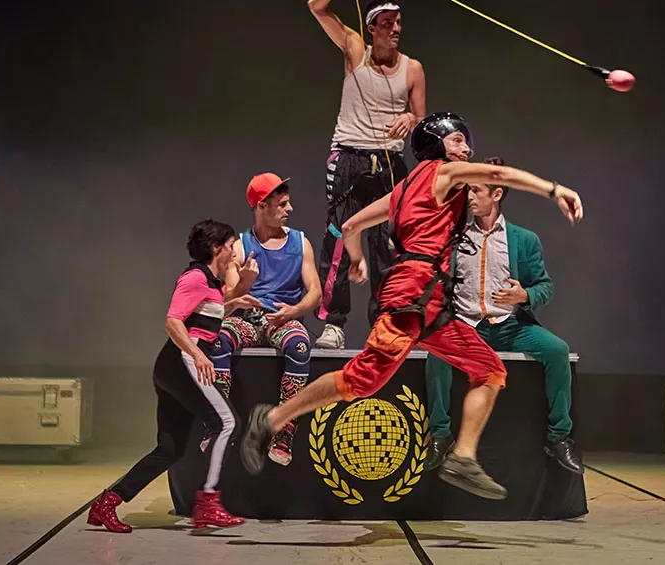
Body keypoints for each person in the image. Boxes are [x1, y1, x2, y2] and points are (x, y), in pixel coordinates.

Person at [239, 113, 584, 500]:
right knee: (360, 380)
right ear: (437, 145)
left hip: (432, 304)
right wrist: (555, 190)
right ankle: (272, 418)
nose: (466, 148)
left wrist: (357, 257)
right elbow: (497, 174)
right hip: (410, 296)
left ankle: (463, 457)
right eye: (457, 140)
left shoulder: (404, 189)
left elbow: (350, 226)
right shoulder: (442, 172)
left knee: (489, 370)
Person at [86, 220, 262, 532]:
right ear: (215, 248)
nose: (235, 252)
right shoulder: (195, 277)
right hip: (182, 361)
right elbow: (173, 321)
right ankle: (208, 502)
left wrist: (236, 299)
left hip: (173, 365)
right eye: (230, 245)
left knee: (169, 449)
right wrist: (197, 355)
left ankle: (107, 502)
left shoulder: (212, 283)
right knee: (227, 423)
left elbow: (207, 317)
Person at [423, 156, 583, 475]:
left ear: (496, 194)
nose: (469, 197)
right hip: (468, 327)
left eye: (476, 190)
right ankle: (440, 435)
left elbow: (545, 286)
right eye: (467, 190)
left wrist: (525, 295)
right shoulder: (454, 236)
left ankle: (558, 437)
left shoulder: (523, 239)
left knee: (557, 351)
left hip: (509, 326)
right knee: (436, 354)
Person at [307, 0, 427, 349]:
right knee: (338, 240)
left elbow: (421, 119)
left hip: (390, 163)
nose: (396, 29)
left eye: (399, 22)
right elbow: (316, 6)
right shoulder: (356, 50)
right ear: (372, 26)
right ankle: (333, 324)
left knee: (387, 246)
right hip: (349, 157)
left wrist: (410, 118)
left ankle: (385, 323)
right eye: (388, 23)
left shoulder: (412, 68)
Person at [217, 173, 321, 466]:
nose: (290, 209)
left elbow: (315, 292)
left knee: (299, 344)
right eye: (282, 204)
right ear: (262, 206)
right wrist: (245, 283)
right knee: (220, 338)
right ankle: (218, 422)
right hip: (248, 320)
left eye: (288, 203)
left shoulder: (300, 243)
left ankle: (284, 431)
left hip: (283, 320)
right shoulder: (240, 246)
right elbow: (228, 301)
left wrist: (294, 311)